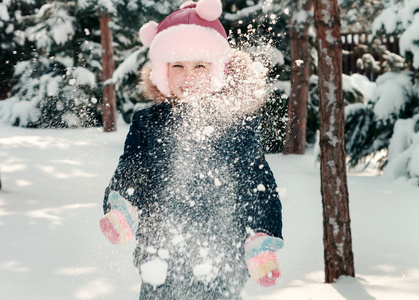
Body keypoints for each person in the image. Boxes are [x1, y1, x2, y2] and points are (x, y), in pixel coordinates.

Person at [100, 1, 284, 299]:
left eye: (200, 65)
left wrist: (261, 239)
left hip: (222, 259)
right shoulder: (149, 123)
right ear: (162, 73)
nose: (189, 77)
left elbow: (257, 185)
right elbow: (131, 170)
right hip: (159, 257)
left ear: (218, 70)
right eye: (178, 66)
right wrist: (123, 207)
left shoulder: (237, 124)